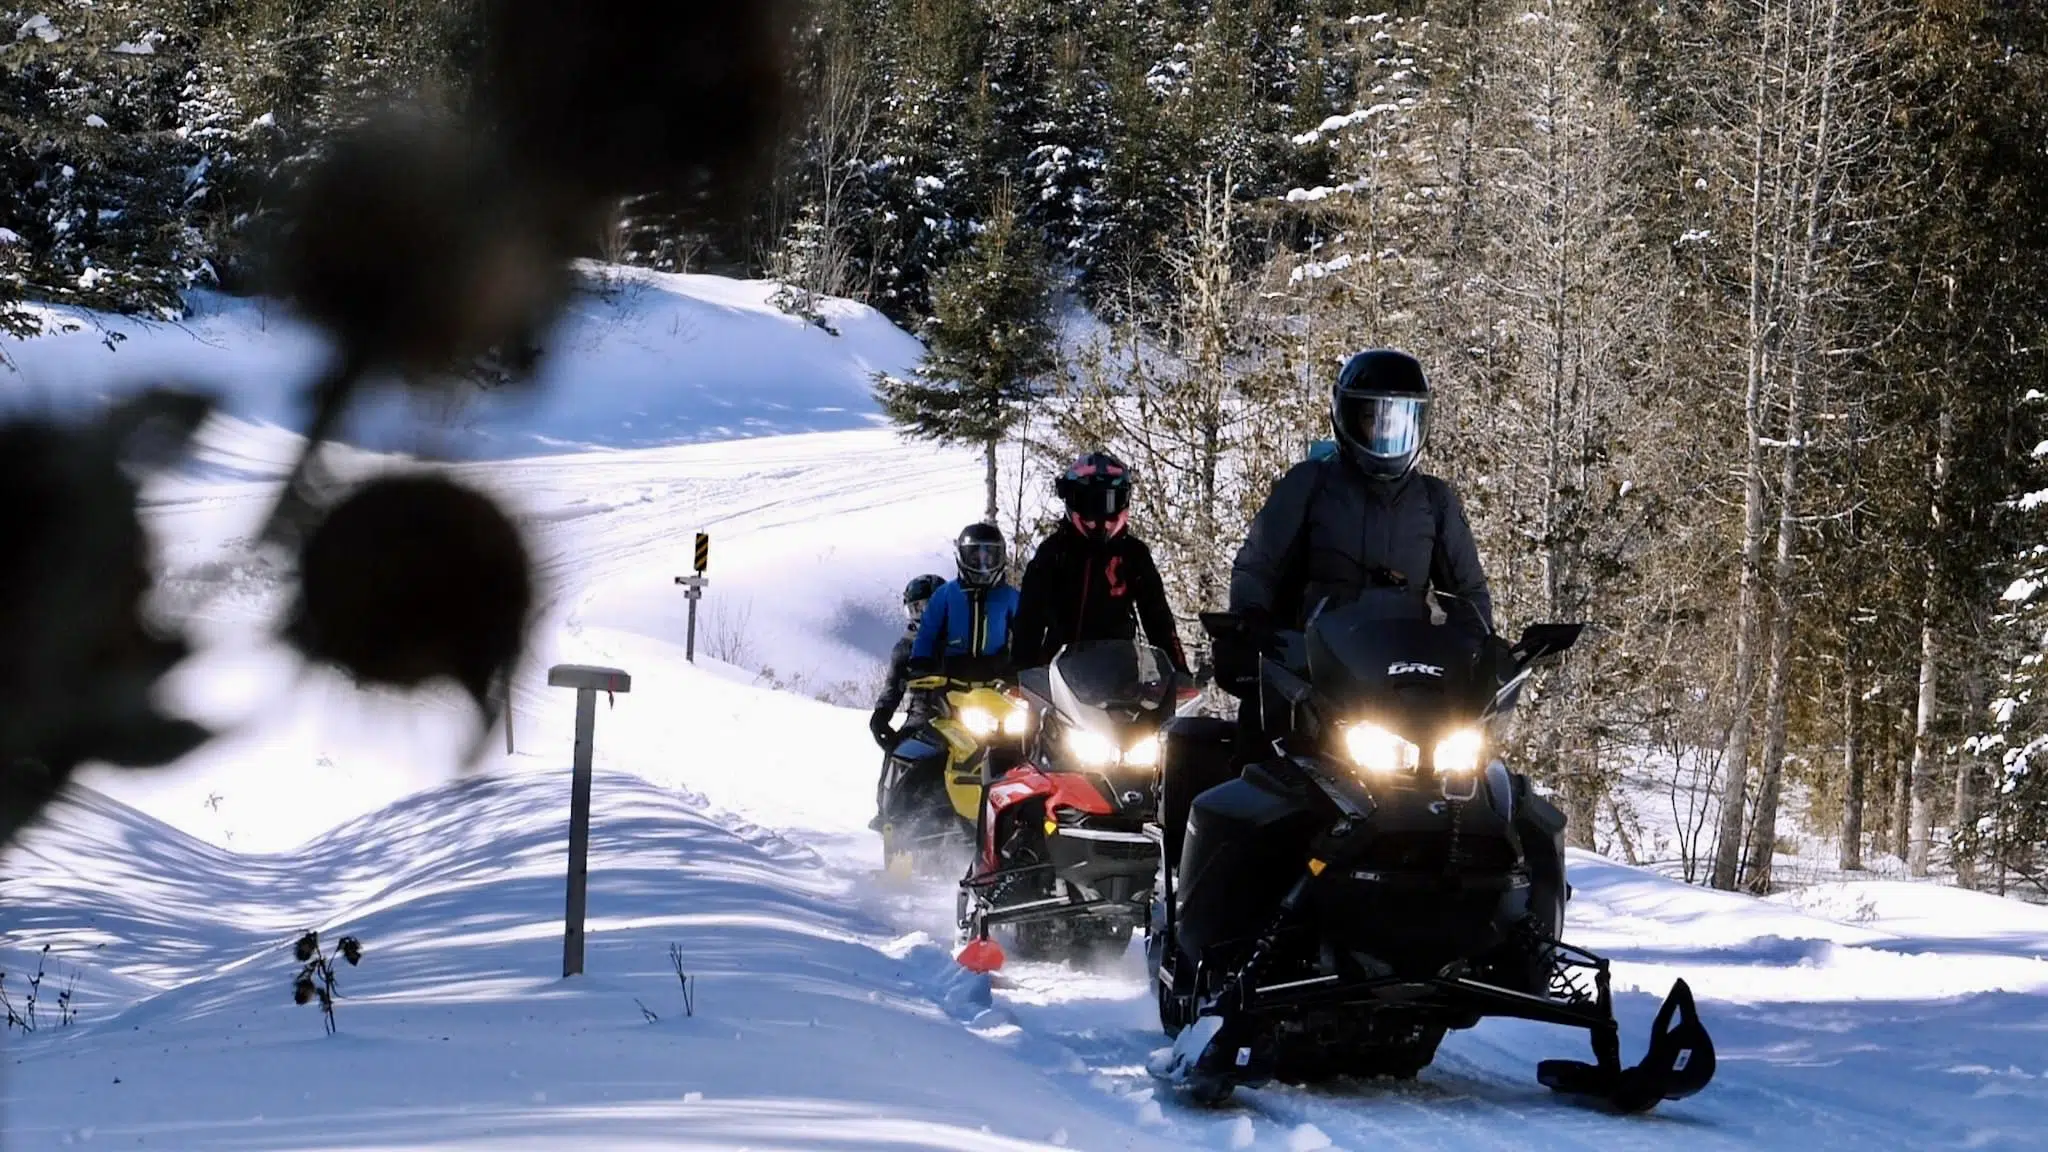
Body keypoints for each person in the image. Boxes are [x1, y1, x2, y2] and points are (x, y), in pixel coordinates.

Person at [1162, 348, 1495, 863]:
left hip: (1406, 683)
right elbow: (1257, 565)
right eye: (1372, 417)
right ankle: (1225, 902)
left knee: (1483, 787)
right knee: (1261, 778)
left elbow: (1469, 595)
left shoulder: (1435, 501)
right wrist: (1251, 628)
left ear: (1421, 423)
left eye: (1401, 420)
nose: (1386, 433)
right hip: (1314, 676)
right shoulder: (1310, 485)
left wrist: (1483, 653)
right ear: (1345, 418)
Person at [1010, 451, 1190, 675]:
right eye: (1089, 502)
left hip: (1120, 678)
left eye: (1110, 502)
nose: (1100, 516)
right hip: (1057, 677)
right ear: (1072, 501)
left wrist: (1178, 672)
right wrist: (1020, 672)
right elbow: (1029, 619)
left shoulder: (1134, 554)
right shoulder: (1053, 553)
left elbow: (1158, 617)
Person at [867, 573, 946, 830]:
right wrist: (880, 715)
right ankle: (888, 814)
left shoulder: (960, 642)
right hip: (922, 718)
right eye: (916, 608)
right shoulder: (906, 647)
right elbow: (893, 688)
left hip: (963, 714)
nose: (922, 614)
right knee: (897, 753)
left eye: (929, 607)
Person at [908, 522, 1021, 682]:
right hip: (950, 677)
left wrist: (1025, 667)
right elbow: (927, 633)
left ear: (1000, 557)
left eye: (989, 558)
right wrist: (920, 664)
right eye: (975, 558)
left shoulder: (1009, 597)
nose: (983, 565)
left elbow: (1026, 632)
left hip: (997, 679)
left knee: (1029, 706)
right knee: (922, 705)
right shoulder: (946, 594)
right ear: (963, 557)